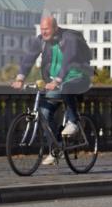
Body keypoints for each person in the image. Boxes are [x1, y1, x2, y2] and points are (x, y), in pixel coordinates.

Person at [11, 16, 92, 165]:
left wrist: (58, 80)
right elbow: (29, 58)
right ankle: (56, 148)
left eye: (46, 29)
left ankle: (73, 121)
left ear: (55, 28)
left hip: (79, 77)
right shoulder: (40, 40)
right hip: (55, 82)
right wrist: (20, 78)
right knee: (44, 112)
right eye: (41, 29)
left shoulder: (69, 38)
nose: (43, 32)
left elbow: (69, 60)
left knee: (67, 87)